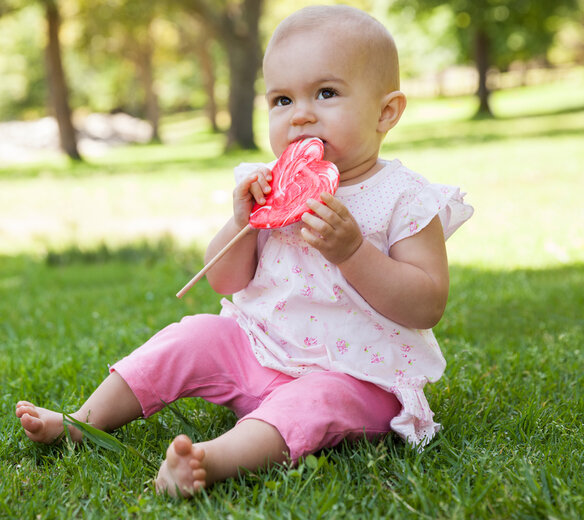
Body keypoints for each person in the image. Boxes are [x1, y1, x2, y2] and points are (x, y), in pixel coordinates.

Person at [16, 5, 473, 497]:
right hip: (259, 350)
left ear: (387, 111)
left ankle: (209, 461)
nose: (300, 114)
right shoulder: (269, 187)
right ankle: (83, 421)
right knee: (193, 335)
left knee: (311, 402)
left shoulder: (403, 197)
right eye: (281, 99)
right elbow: (225, 281)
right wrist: (244, 221)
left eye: (326, 93)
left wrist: (353, 251)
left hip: (356, 377)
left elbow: (427, 303)